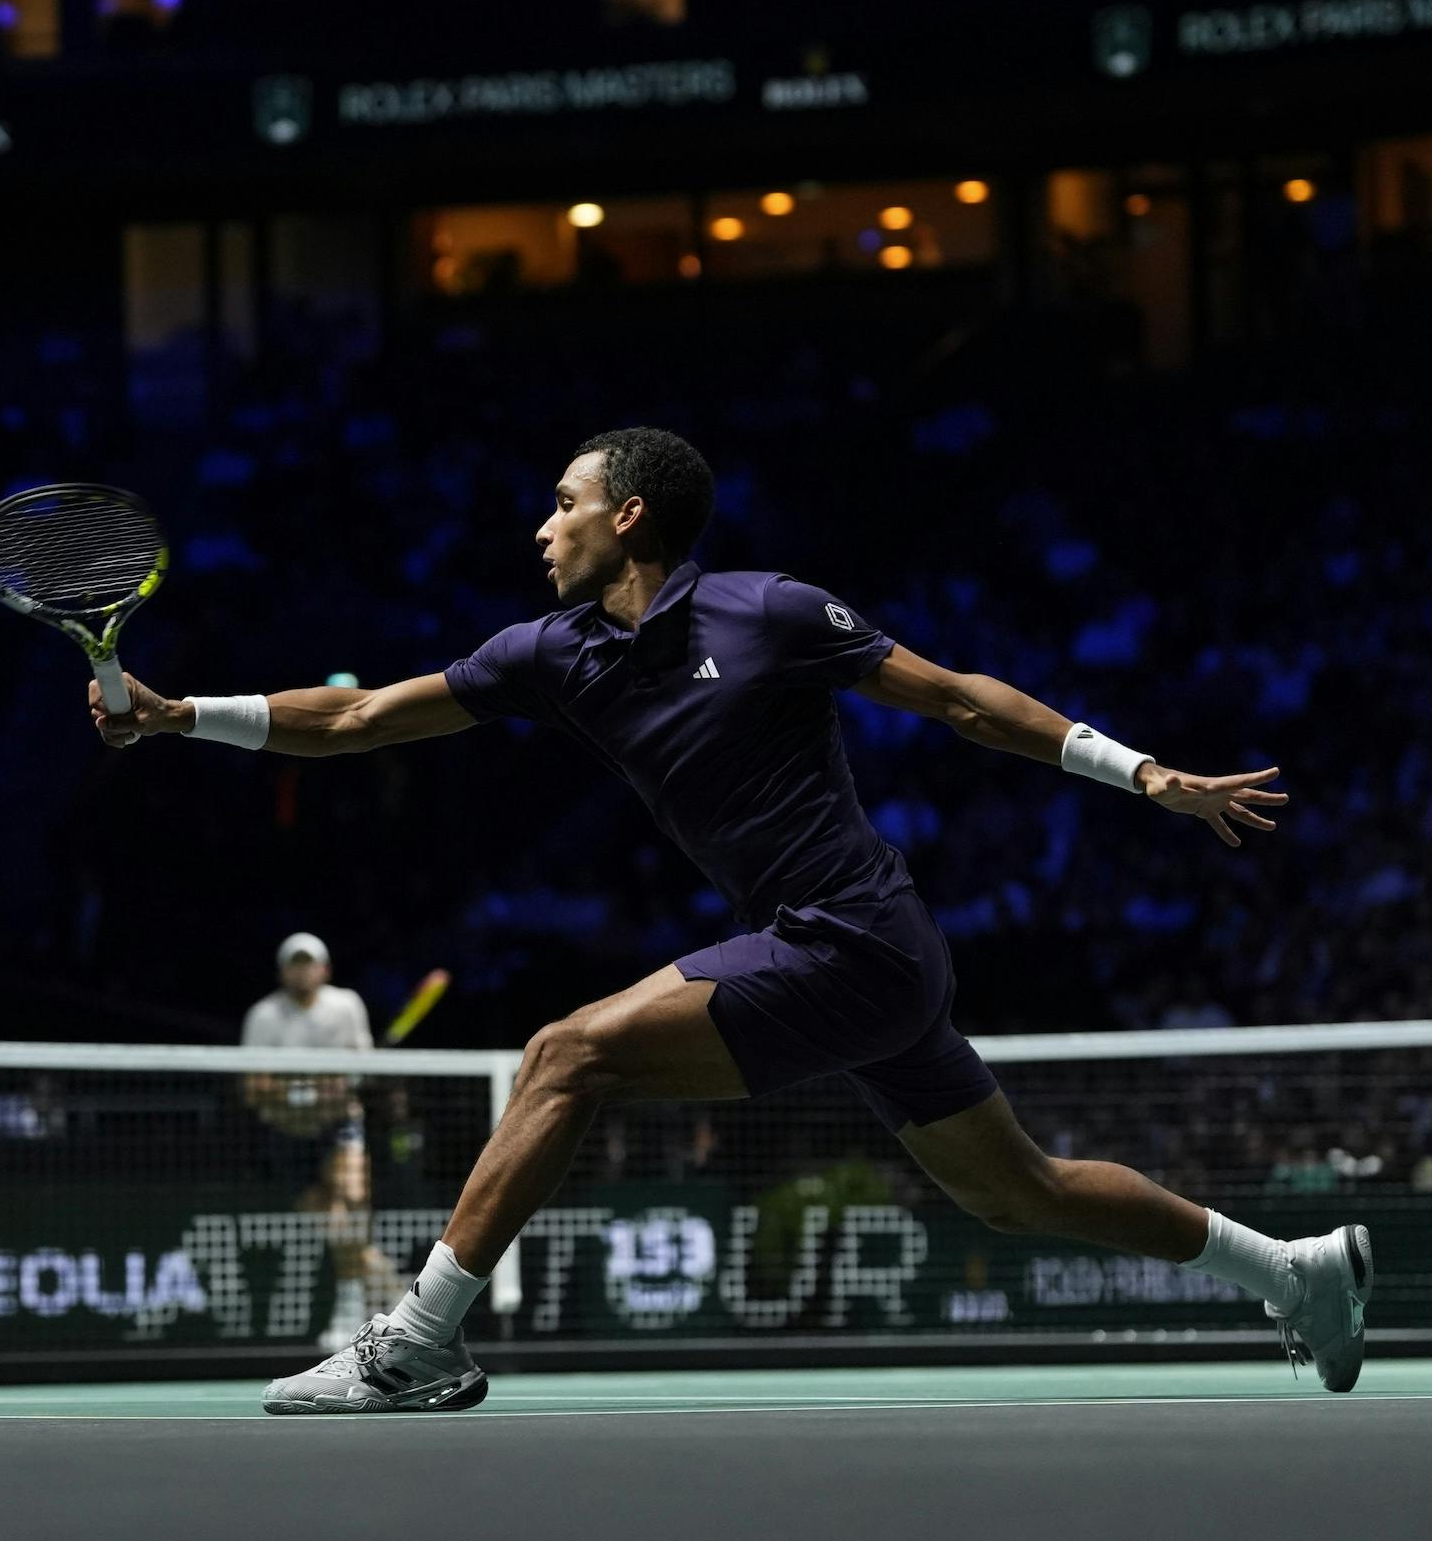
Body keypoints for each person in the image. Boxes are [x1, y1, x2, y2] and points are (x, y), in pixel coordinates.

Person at [92, 426, 1367, 1414]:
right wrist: (177, 714)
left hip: (852, 934)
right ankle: (1291, 1270)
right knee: (1017, 1191)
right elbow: (362, 715)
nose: (544, 527)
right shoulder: (554, 653)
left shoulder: (770, 611)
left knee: (562, 1052)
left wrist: (1146, 771)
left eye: (564, 501)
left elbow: (965, 700)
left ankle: (415, 1342)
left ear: (627, 512)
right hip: (855, 959)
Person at [239, 932, 385, 1348]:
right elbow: (252, 1087)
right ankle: (390, 1290)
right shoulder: (263, 1016)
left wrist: (337, 1086)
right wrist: (303, 1090)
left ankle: (350, 1309)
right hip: (286, 1134)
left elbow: (362, 1070)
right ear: (283, 971)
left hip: (339, 1126)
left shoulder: (346, 1005)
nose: (303, 970)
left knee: (354, 1200)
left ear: (325, 969)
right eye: (295, 963)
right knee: (337, 1225)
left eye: (310, 962)